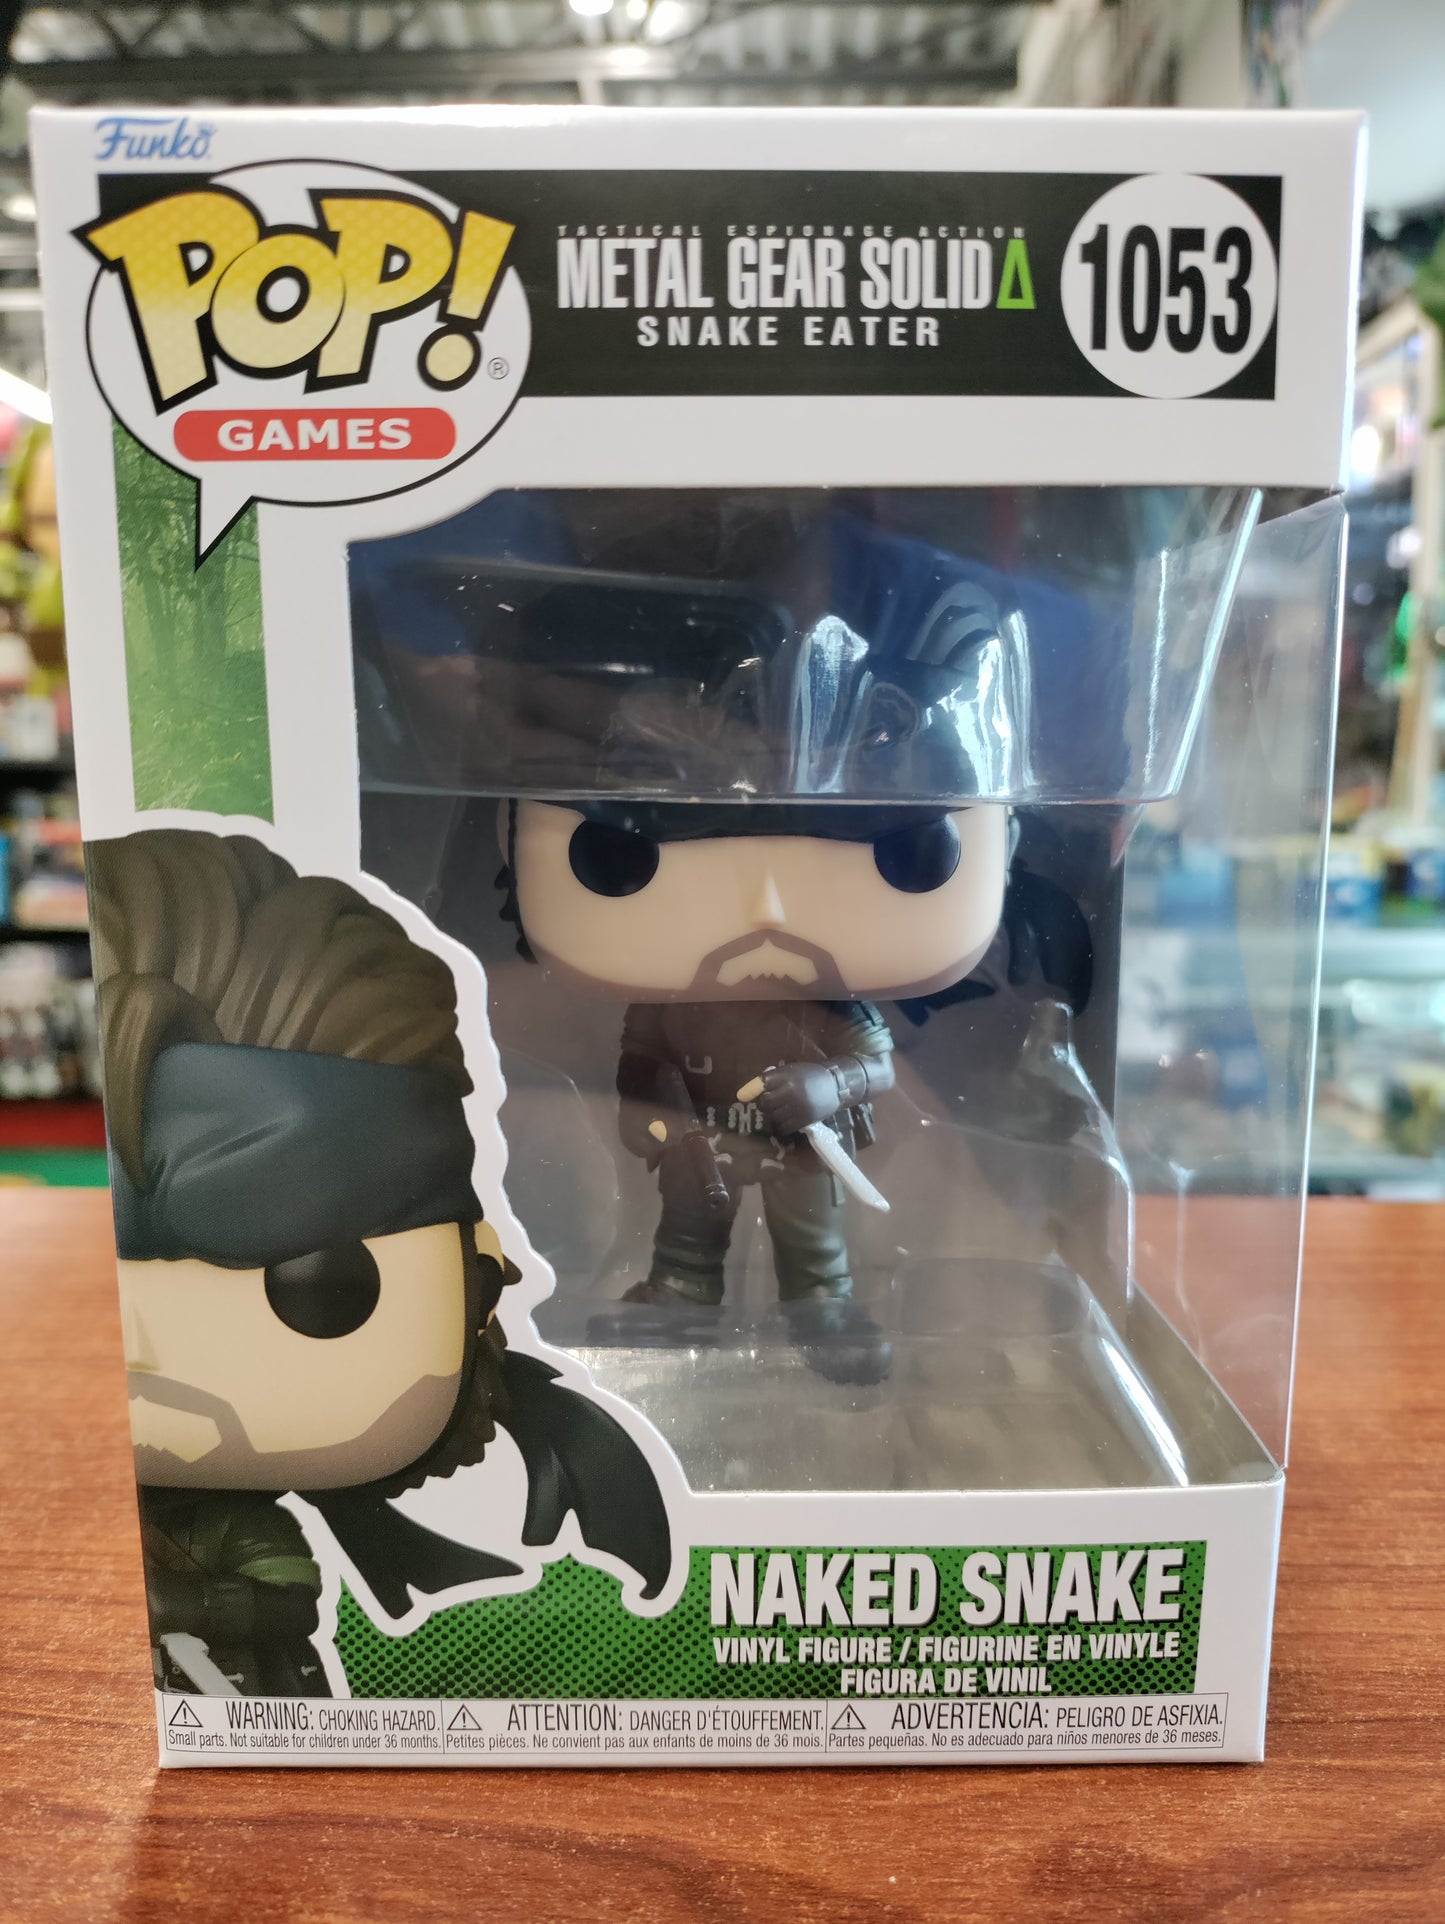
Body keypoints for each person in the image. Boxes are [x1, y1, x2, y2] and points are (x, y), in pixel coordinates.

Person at [91, 828, 670, 1695]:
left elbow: (286, 1603)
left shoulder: (239, 1533)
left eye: (315, 1287)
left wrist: (195, 1606)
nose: (145, 1355)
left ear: (478, 1280)